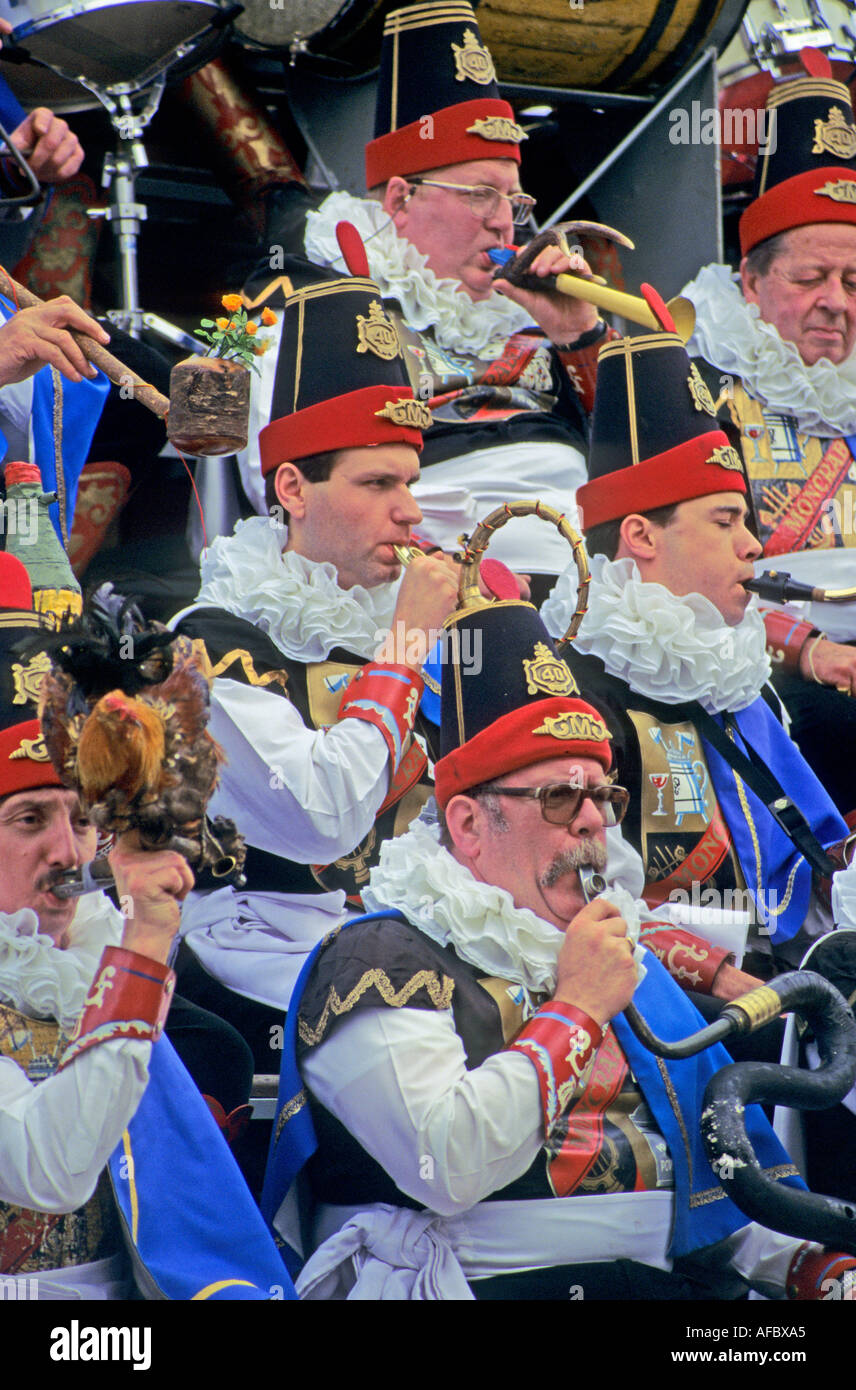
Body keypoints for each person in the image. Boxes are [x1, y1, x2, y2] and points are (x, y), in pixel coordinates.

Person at [261, 597, 855, 1300]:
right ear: (470, 823)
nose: (593, 821)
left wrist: (805, 1266)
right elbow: (447, 1163)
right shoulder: (380, 957)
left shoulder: (621, 959)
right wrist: (576, 1007)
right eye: (559, 798)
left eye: (603, 795)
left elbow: (718, 1181)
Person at [172, 268, 459, 1063]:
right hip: (254, 957)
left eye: (411, 482)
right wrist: (405, 648)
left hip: (407, 944)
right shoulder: (209, 641)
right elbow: (318, 820)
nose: (409, 510)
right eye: (377, 483)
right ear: (292, 488)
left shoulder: (418, 620)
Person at [0, 550, 293, 1297]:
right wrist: (146, 944)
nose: (68, 849)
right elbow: (49, 1169)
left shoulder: (127, 974)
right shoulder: (133, 959)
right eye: (29, 820)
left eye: (80, 816)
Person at [235, 2, 608, 586]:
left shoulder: (535, 302)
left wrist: (579, 336)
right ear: (401, 200)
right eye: (480, 194)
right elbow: (280, 483)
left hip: (582, 569)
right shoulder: (311, 291)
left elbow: (643, 470)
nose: (504, 223)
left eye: (515, 201)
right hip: (418, 574)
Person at [542, 312, 855, 982]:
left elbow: (809, 862)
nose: (754, 545)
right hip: (666, 1003)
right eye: (727, 522)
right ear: (641, 536)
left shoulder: (728, 672)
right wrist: (713, 972)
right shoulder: (574, 689)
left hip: (775, 972)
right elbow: (577, 900)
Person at [680, 54, 856, 812]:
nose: (836, 304)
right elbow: (682, 572)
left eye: (855, 284)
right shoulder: (698, 384)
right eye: (810, 279)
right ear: (750, 284)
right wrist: (807, 649)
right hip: (762, 654)